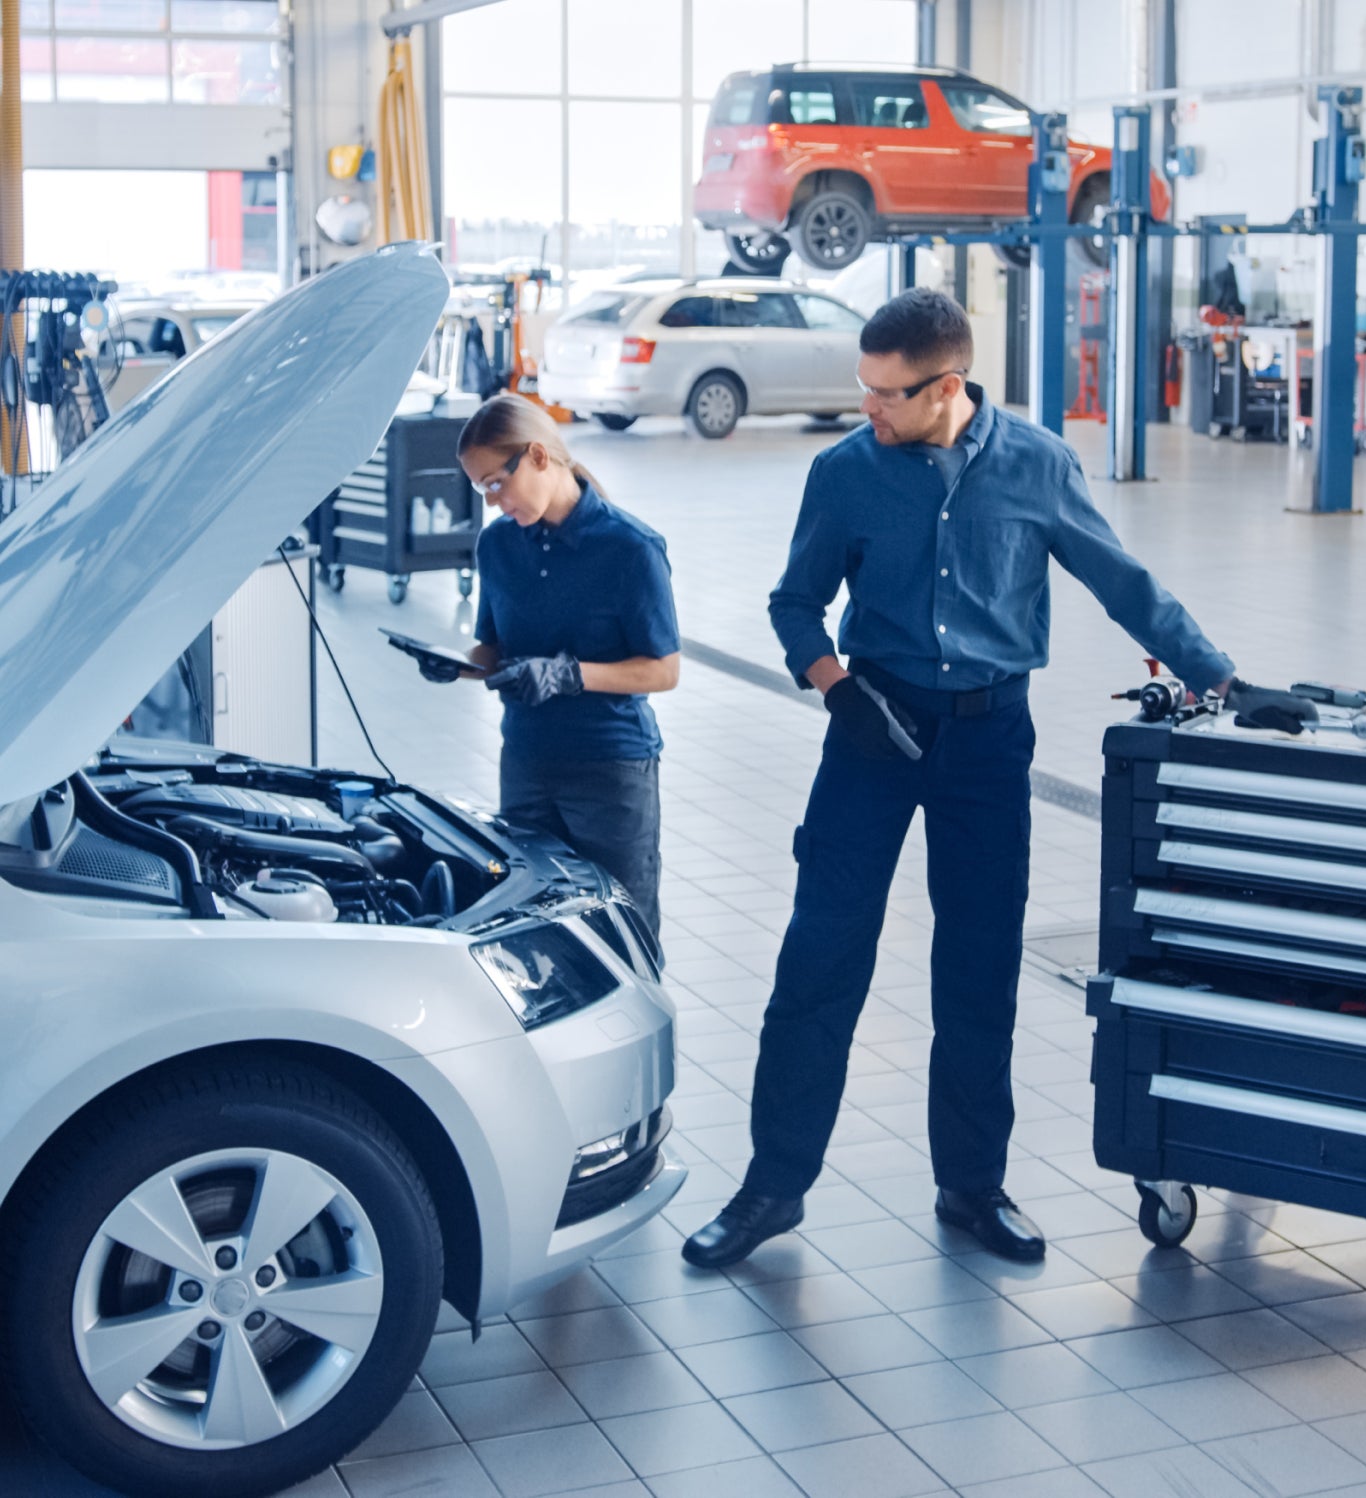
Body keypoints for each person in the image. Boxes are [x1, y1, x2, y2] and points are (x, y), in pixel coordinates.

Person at [682, 288, 1315, 1269]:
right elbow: (795, 603)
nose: (869, 410)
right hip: (871, 732)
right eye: (865, 389)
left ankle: (972, 1186)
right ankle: (772, 1187)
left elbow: (1122, 584)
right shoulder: (845, 473)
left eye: (887, 395)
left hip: (986, 743)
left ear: (947, 387)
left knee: (977, 970)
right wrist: (834, 687)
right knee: (818, 959)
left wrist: (1220, 680)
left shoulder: (1035, 466)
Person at [437, 395, 680, 937]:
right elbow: (492, 648)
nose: (495, 503)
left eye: (497, 484)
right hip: (525, 761)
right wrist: (457, 664)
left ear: (539, 456)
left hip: (609, 769)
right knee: (532, 926)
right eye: (482, 491)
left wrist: (571, 674)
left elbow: (663, 670)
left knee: (621, 927)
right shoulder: (497, 545)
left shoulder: (630, 549)